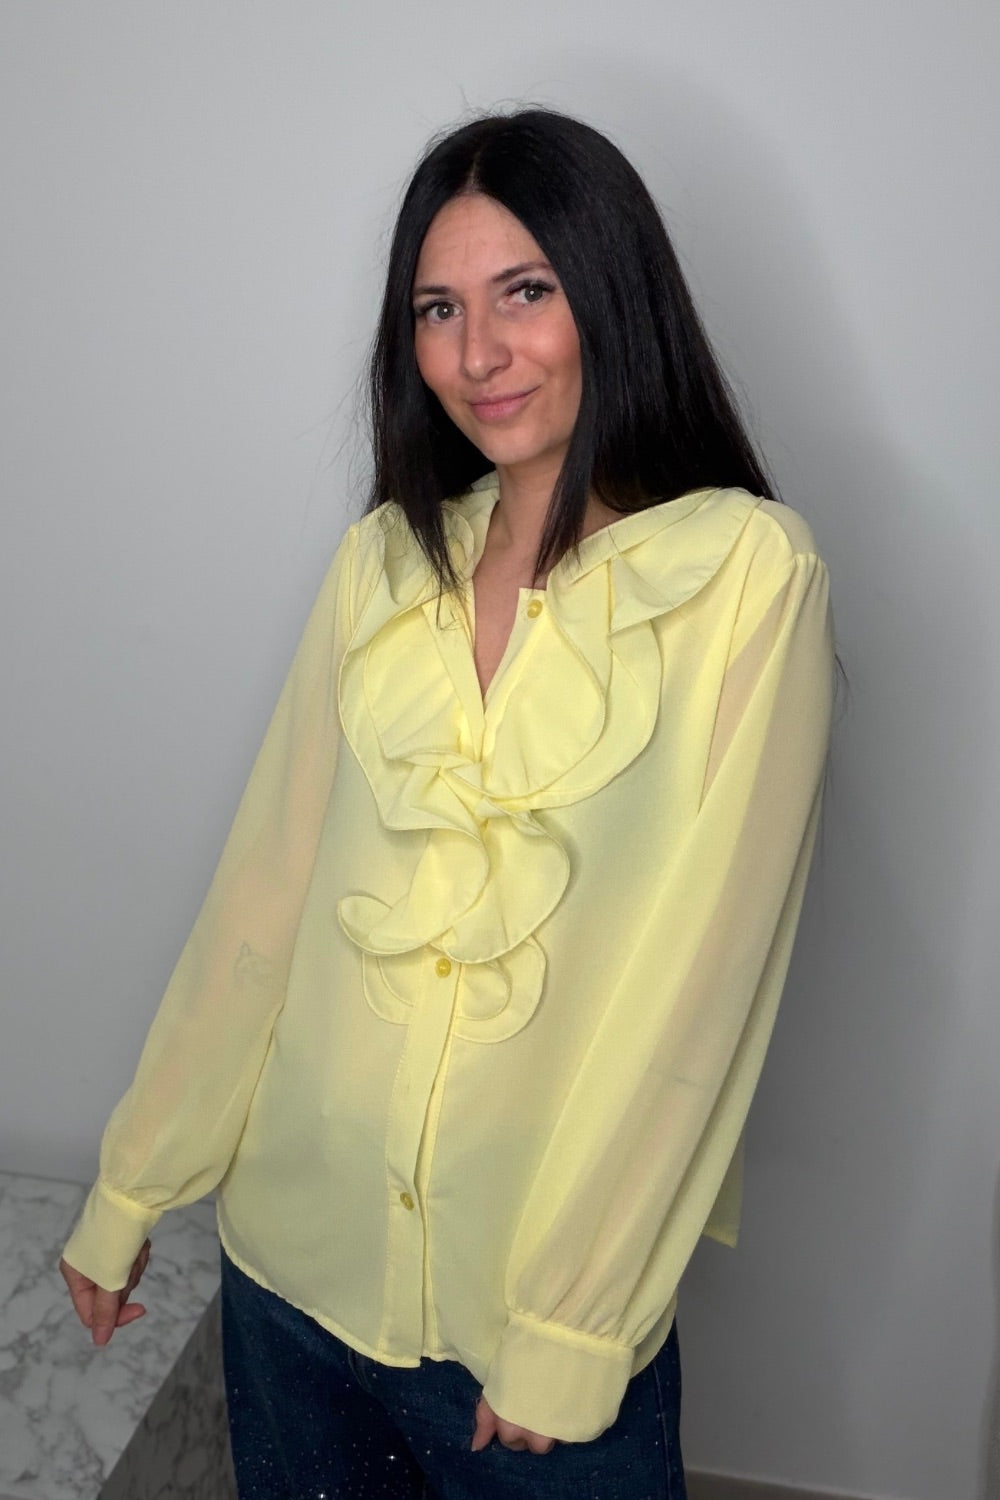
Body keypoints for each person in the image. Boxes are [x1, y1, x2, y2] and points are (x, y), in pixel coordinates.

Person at [60, 107, 834, 1498]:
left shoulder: (744, 580)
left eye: (524, 292)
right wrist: (135, 1183)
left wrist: (570, 1326)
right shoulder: (381, 564)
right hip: (287, 1277)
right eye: (438, 309)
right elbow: (263, 899)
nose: (477, 354)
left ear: (613, 294)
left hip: (518, 1333)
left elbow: (698, 995)